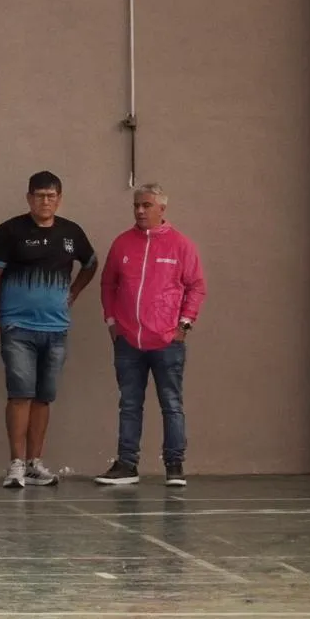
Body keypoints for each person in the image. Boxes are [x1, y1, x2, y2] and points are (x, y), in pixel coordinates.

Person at [0, 171, 97, 488]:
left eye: (51, 196)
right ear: (29, 198)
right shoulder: (10, 231)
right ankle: (16, 464)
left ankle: (34, 463)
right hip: (17, 326)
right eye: (39, 195)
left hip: (56, 329)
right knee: (20, 393)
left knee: (44, 397)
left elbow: (90, 264)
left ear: (59, 199)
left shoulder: (71, 232)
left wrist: (74, 291)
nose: (45, 201)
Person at [95, 183, 206, 487]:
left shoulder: (181, 245)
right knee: (129, 404)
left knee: (171, 403)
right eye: (136, 205)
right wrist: (112, 321)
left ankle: (175, 465)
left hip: (167, 341)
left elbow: (196, 286)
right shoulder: (122, 244)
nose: (140, 211)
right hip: (128, 341)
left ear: (162, 209)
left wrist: (184, 325)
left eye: (146, 205)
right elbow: (108, 283)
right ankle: (127, 464)